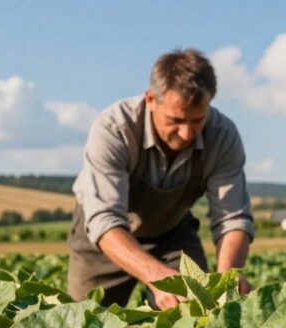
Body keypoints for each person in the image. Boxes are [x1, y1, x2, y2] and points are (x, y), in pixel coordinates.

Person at [68, 48, 254, 309]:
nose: (187, 133)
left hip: (172, 232)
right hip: (107, 240)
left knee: (195, 315)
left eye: (198, 119)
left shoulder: (222, 135)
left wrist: (228, 278)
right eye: (176, 119)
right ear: (150, 99)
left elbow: (232, 218)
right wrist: (156, 276)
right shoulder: (114, 128)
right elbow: (104, 219)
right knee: (86, 325)